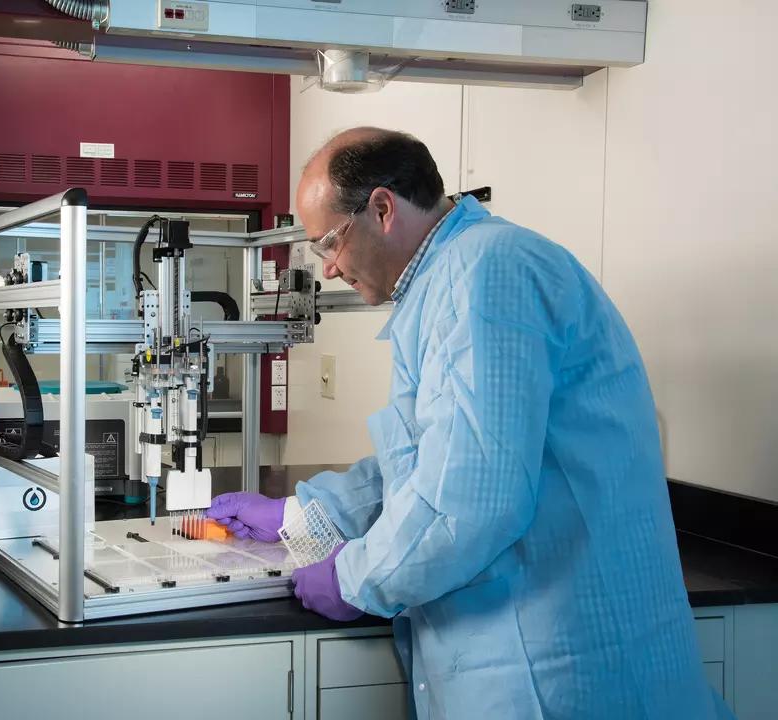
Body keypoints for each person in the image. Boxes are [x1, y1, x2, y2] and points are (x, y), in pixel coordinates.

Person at [207, 127, 734, 719]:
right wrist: (308, 514)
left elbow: (469, 497)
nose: (327, 268)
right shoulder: (452, 280)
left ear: (382, 208)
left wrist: (354, 579)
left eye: (328, 242)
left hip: (561, 665)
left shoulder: (483, 274)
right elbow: (431, 456)